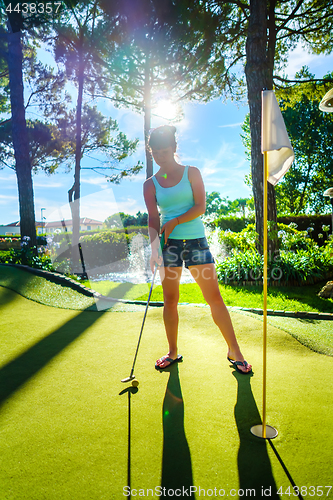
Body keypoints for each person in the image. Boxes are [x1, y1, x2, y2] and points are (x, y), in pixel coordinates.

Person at [143, 125, 252, 374]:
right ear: (151, 152)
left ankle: (234, 350)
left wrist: (174, 222)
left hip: (196, 243)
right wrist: (153, 249)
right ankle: (172, 352)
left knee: (213, 297)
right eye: (156, 152)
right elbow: (152, 218)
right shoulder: (150, 184)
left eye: (165, 151)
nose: (161, 156)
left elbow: (201, 207)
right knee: (170, 300)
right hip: (168, 246)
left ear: (174, 148)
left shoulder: (192, 173)